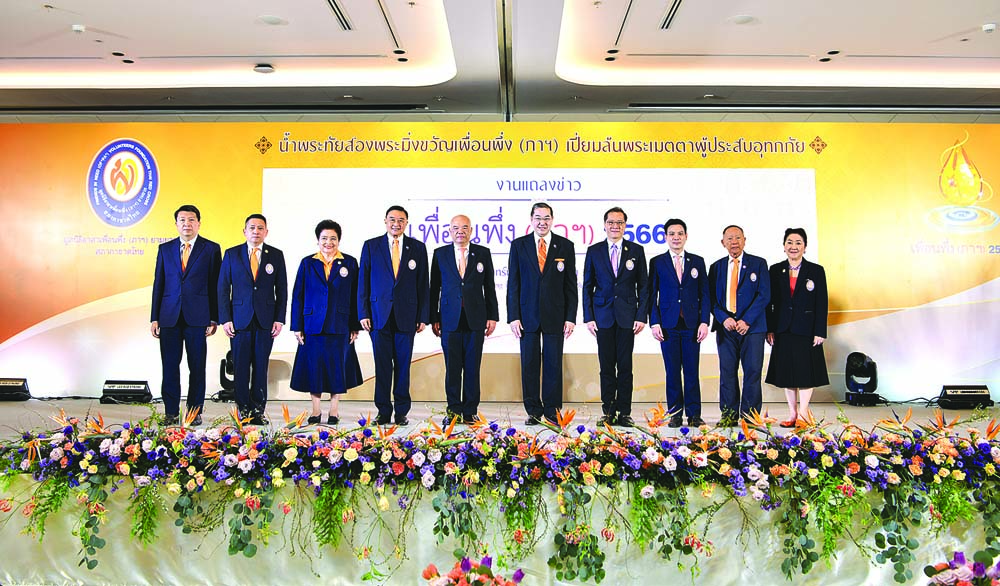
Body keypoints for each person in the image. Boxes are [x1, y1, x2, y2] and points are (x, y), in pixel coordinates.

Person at [150, 204, 221, 426]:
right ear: (176, 224)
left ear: (198, 223)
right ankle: (171, 412)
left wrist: (214, 317)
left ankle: (194, 411)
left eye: (191, 220)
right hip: (169, 316)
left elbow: (215, 285)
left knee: (197, 367)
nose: (187, 224)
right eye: (182, 220)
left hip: (198, 317)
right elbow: (159, 284)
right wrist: (154, 317)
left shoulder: (211, 249)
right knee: (170, 366)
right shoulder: (165, 249)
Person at [507, 202, 577, 426]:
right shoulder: (519, 245)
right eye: (538, 218)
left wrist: (570, 317)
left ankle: (552, 411)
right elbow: (513, 284)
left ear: (552, 220)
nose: (542, 222)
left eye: (546, 218)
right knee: (529, 364)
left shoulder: (565, 246)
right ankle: (533, 411)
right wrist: (513, 316)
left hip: (555, 315)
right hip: (526, 316)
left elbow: (570, 285)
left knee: (553, 365)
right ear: (531, 220)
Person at [359, 205, 429, 426]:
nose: (396, 224)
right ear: (385, 221)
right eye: (392, 220)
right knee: (382, 366)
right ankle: (383, 410)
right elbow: (363, 282)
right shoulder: (371, 246)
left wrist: (423, 316)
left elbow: (423, 284)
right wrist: (363, 313)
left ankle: (401, 411)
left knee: (402, 365)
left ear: (406, 223)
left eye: (401, 220)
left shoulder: (417, 248)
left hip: (407, 316)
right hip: (378, 316)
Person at [430, 214, 499, 425]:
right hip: (449, 320)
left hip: (475, 319)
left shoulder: (483, 253)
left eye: (464, 227)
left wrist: (492, 316)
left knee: (472, 367)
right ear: (449, 231)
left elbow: (489, 286)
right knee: (452, 369)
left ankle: (470, 411)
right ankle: (453, 411)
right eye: (456, 228)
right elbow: (434, 289)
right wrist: (433, 317)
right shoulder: (440, 254)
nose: (460, 231)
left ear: (471, 230)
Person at [218, 214, 287, 425]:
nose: (256, 231)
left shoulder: (275, 255)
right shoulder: (232, 254)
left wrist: (279, 319)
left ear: (266, 231)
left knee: (260, 366)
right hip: (239, 320)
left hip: (266, 321)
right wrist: (225, 319)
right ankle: (243, 410)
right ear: (245, 231)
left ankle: (257, 410)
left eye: (260, 228)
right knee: (240, 367)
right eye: (252, 227)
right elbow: (223, 289)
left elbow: (282, 290)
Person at [290, 220, 361, 425]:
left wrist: (355, 325)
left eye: (333, 238)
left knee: (337, 369)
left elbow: (356, 295)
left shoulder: (349, 262)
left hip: (340, 324)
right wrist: (297, 326)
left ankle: (334, 411)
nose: (328, 242)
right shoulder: (307, 262)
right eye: (324, 238)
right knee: (315, 368)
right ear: (317, 240)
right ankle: (315, 411)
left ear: (339, 240)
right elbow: (298, 295)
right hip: (312, 324)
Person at [582, 207, 647, 427]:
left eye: (619, 223)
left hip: (628, 317)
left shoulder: (636, 250)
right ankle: (608, 411)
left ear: (625, 225)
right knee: (607, 367)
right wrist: (589, 317)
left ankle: (625, 412)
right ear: (605, 225)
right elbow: (587, 286)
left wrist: (641, 316)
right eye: (611, 222)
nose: (615, 226)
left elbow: (644, 286)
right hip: (602, 317)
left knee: (625, 366)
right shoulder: (594, 251)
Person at [648, 219, 709, 428]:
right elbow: (651, 295)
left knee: (692, 372)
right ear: (666, 237)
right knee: (672, 372)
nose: (676, 237)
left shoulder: (697, 261)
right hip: (668, 325)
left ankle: (694, 414)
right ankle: (675, 413)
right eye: (672, 234)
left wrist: (704, 321)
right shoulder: (657, 262)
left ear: (686, 236)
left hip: (692, 325)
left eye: (680, 233)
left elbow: (705, 294)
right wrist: (654, 322)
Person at [765, 228, 829, 427]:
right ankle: (792, 414)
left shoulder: (816, 271)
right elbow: (769, 302)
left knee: (805, 372)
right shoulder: (775, 270)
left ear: (805, 247)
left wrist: (820, 331)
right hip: (782, 329)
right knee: (787, 374)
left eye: (798, 243)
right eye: (790, 242)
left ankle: (803, 414)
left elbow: (822, 302)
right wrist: (770, 328)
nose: (794, 246)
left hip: (807, 329)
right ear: (784, 246)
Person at [708, 225, 770, 426]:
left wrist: (747, 320)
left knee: (752, 372)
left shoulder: (759, 264)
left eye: (737, 238)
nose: (734, 242)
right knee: (727, 372)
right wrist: (723, 318)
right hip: (726, 328)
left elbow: (764, 295)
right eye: (729, 238)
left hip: (752, 328)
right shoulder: (716, 267)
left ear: (744, 240)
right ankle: (728, 415)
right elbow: (711, 299)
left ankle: (750, 417)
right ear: (723, 242)